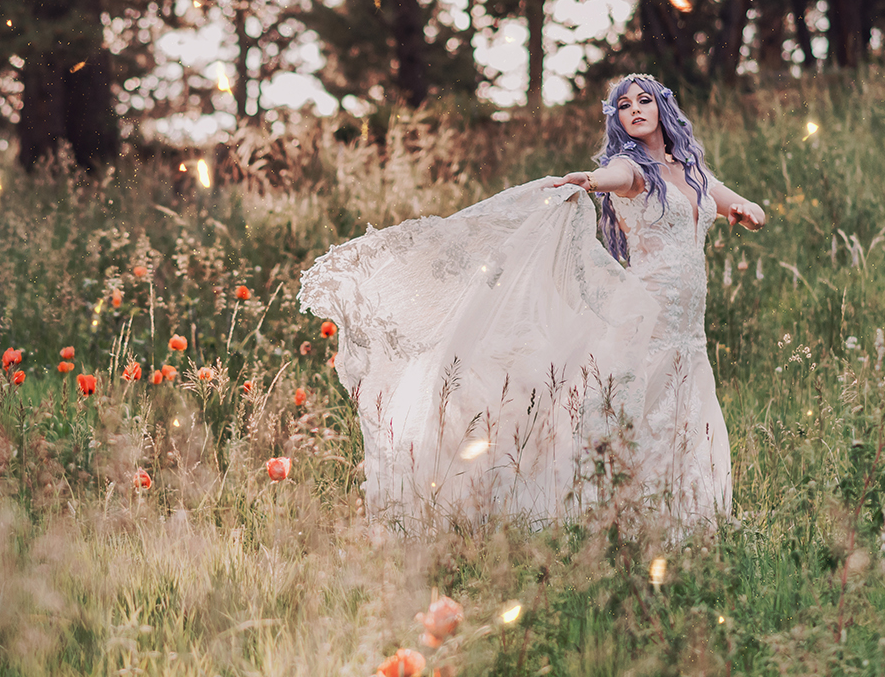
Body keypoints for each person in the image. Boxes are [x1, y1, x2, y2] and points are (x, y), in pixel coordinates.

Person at [298, 74, 765, 526]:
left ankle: (686, 511)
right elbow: (605, 176)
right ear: (616, 121)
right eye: (624, 106)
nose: (635, 111)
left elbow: (745, 207)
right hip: (649, 315)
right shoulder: (632, 171)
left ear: (663, 108)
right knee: (638, 408)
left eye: (643, 101)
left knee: (688, 404)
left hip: (690, 328)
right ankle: (623, 511)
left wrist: (746, 212)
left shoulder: (693, 173)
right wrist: (583, 179)